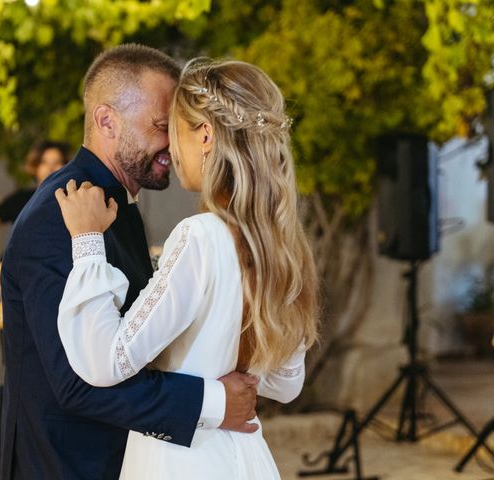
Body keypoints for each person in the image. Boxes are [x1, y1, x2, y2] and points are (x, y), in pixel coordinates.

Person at [0, 44, 259, 480]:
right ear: (106, 121)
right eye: (161, 126)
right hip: (67, 465)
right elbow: (76, 382)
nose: (172, 145)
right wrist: (211, 403)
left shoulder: (117, 206)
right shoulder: (60, 212)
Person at [54, 58, 319, 478]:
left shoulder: (200, 236)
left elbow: (107, 360)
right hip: (243, 455)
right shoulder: (281, 245)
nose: (171, 150)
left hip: (182, 459)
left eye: (173, 130)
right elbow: (286, 384)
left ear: (206, 135)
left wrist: (87, 243)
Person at [0, 141, 69, 258]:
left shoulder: (72, 200)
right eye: (44, 162)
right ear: (34, 167)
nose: (51, 168)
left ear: (66, 166)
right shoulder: (21, 199)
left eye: (57, 162)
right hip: (19, 270)